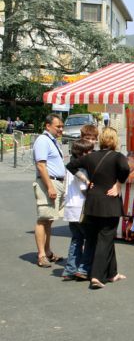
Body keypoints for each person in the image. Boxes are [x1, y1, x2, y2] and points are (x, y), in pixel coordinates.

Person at [66, 127, 130, 289]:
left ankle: (112, 273)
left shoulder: (91, 157)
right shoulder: (118, 156)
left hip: (92, 203)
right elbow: (125, 169)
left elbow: (71, 165)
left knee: (103, 238)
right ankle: (97, 275)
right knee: (105, 238)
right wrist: (118, 184)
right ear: (115, 141)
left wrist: (85, 180)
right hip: (109, 202)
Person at [32, 114, 66, 268]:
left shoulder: (52, 141)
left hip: (56, 182)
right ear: (48, 126)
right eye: (58, 126)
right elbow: (41, 165)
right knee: (43, 218)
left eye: (61, 126)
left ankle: (48, 251)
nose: (61, 129)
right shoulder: (42, 140)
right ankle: (41, 255)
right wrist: (50, 186)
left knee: (49, 219)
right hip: (49, 182)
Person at [61, 138, 95, 281]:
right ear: (83, 154)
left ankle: (70, 269)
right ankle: (83, 269)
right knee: (89, 239)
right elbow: (83, 189)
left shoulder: (70, 166)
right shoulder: (81, 169)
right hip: (80, 208)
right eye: (90, 151)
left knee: (76, 240)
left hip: (70, 208)